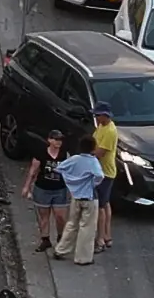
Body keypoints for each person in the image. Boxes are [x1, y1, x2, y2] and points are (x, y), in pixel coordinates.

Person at [52, 135, 103, 264]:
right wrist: (92, 183)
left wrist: (72, 181)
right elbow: (99, 175)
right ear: (93, 148)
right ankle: (83, 258)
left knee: (72, 224)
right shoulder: (93, 161)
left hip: (75, 196)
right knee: (87, 227)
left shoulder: (74, 159)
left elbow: (59, 168)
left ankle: (61, 249)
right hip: (90, 197)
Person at [20, 128, 69, 252]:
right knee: (44, 216)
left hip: (60, 189)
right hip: (43, 188)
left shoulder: (65, 154)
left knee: (60, 216)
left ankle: (60, 236)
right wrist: (27, 186)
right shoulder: (41, 153)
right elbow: (33, 170)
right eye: (56, 139)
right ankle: (45, 240)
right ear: (49, 140)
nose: (59, 142)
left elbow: (69, 171)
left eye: (60, 140)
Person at [91, 102, 117, 251]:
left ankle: (100, 239)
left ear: (105, 115)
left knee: (100, 206)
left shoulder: (110, 132)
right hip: (103, 171)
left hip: (104, 173)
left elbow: (100, 153)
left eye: (97, 115)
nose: (96, 117)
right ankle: (107, 235)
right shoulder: (101, 126)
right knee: (105, 203)